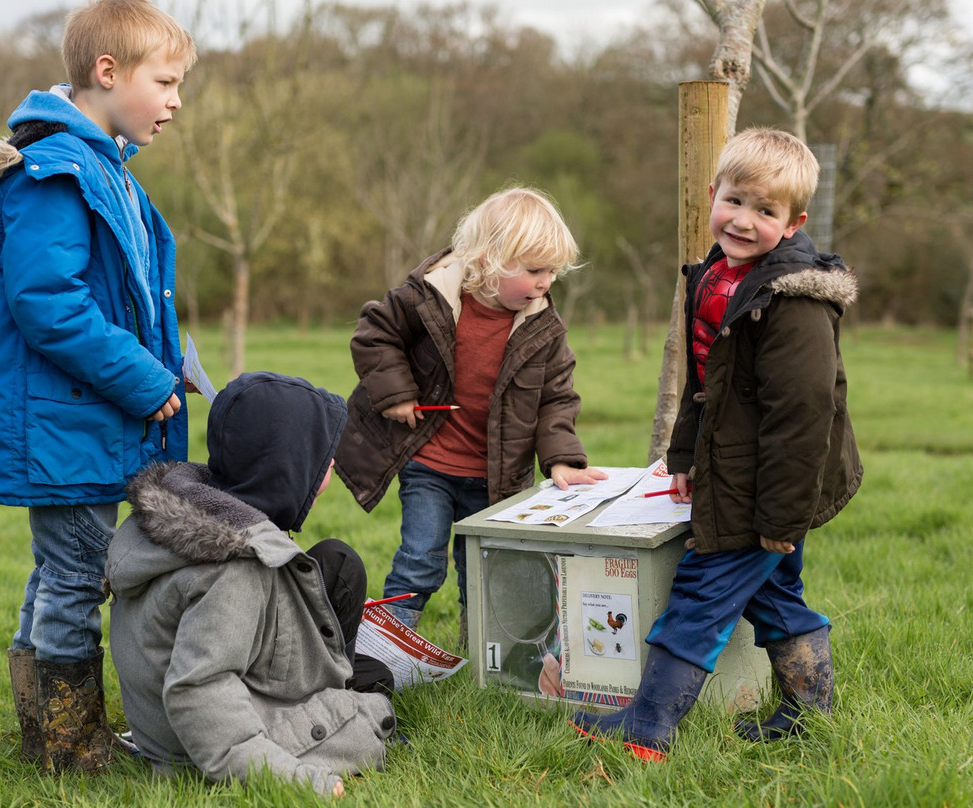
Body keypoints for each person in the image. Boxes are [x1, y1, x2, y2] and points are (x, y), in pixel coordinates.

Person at [0, 0, 196, 773]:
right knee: (80, 571)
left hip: (74, 417)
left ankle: (43, 732)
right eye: (168, 81)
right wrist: (145, 379)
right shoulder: (56, 175)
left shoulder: (98, 168)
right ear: (108, 74)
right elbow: (48, 304)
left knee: (61, 569)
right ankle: (70, 746)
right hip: (60, 420)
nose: (177, 101)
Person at [571, 127, 863, 760]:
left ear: (793, 224)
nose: (743, 220)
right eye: (735, 201)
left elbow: (803, 419)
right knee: (776, 594)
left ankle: (647, 730)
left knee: (700, 596)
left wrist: (780, 519)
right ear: (712, 195)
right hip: (736, 468)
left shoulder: (792, 304)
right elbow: (705, 383)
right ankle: (810, 715)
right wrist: (681, 457)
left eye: (766, 211)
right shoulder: (714, 278)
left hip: (774, 485)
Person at [106, 372, 397, 799]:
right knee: (376, 698)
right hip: (198, 743)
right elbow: (198, 690)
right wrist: (302, 781)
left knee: (335, 564)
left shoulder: (197, 509)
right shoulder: (234, 568)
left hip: (170, 715)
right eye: (321, 458)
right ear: (286, 465)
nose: (330, 466)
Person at [335, 186, 607, 640]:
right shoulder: (429, 298)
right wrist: (396, 393)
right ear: (488, 260)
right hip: (430, 466)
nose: (545, 283)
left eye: (552, 272)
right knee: (420, 559)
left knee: (485, 572)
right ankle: (382, 649)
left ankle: (482, 659)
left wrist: (561, 459)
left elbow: (557, 396)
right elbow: (373, 333)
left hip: (497, 476)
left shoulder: (544, 328)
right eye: (535, 270)